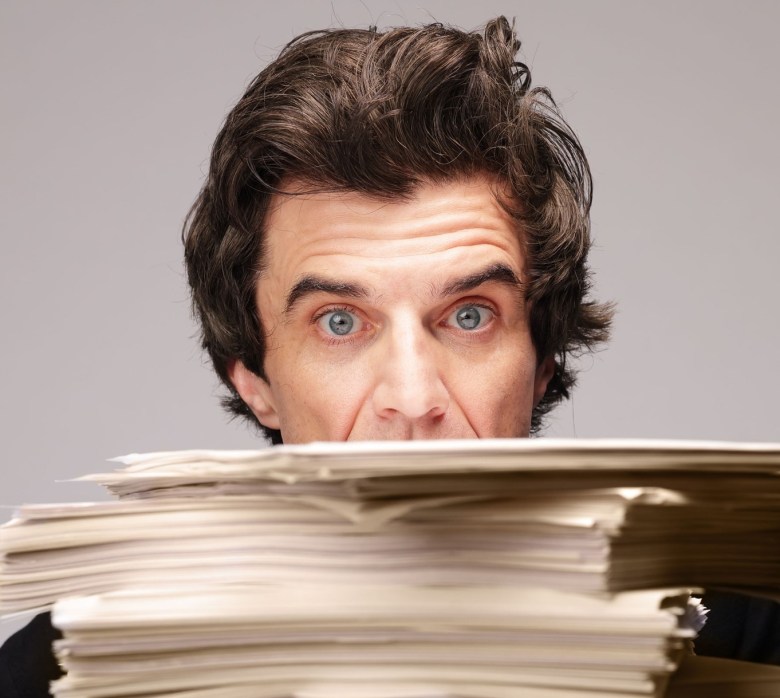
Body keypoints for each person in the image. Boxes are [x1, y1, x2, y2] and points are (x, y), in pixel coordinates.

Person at [1, 16, 774, 698]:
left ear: (541, 358)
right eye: (340, 322)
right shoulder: (79, 668)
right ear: (254, 378)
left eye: (469, 315)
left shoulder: (736, 641)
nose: (411, 397)